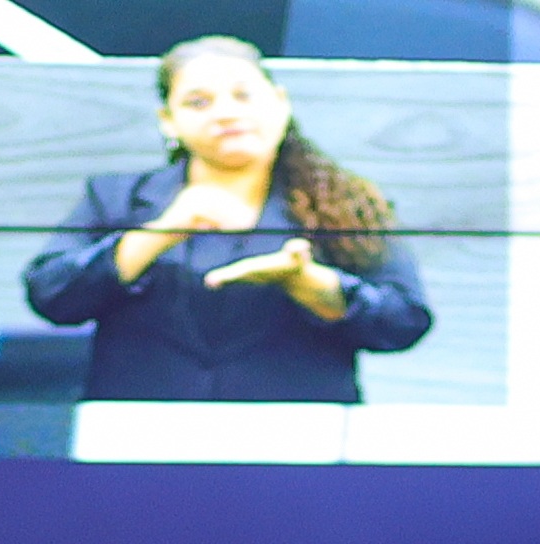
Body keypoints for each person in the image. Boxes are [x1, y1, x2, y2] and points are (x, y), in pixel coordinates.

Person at [23, 38, 434, 405]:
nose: (226, 113)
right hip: (138, 440)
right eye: (199, 102)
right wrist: (158, 234)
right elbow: (51, 295)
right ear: (168, 119)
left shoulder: (345, 204)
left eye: (244, 95)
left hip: (297, 442)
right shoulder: (116, 198)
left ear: (280, 103)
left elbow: (404, 321)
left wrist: (309, 283)